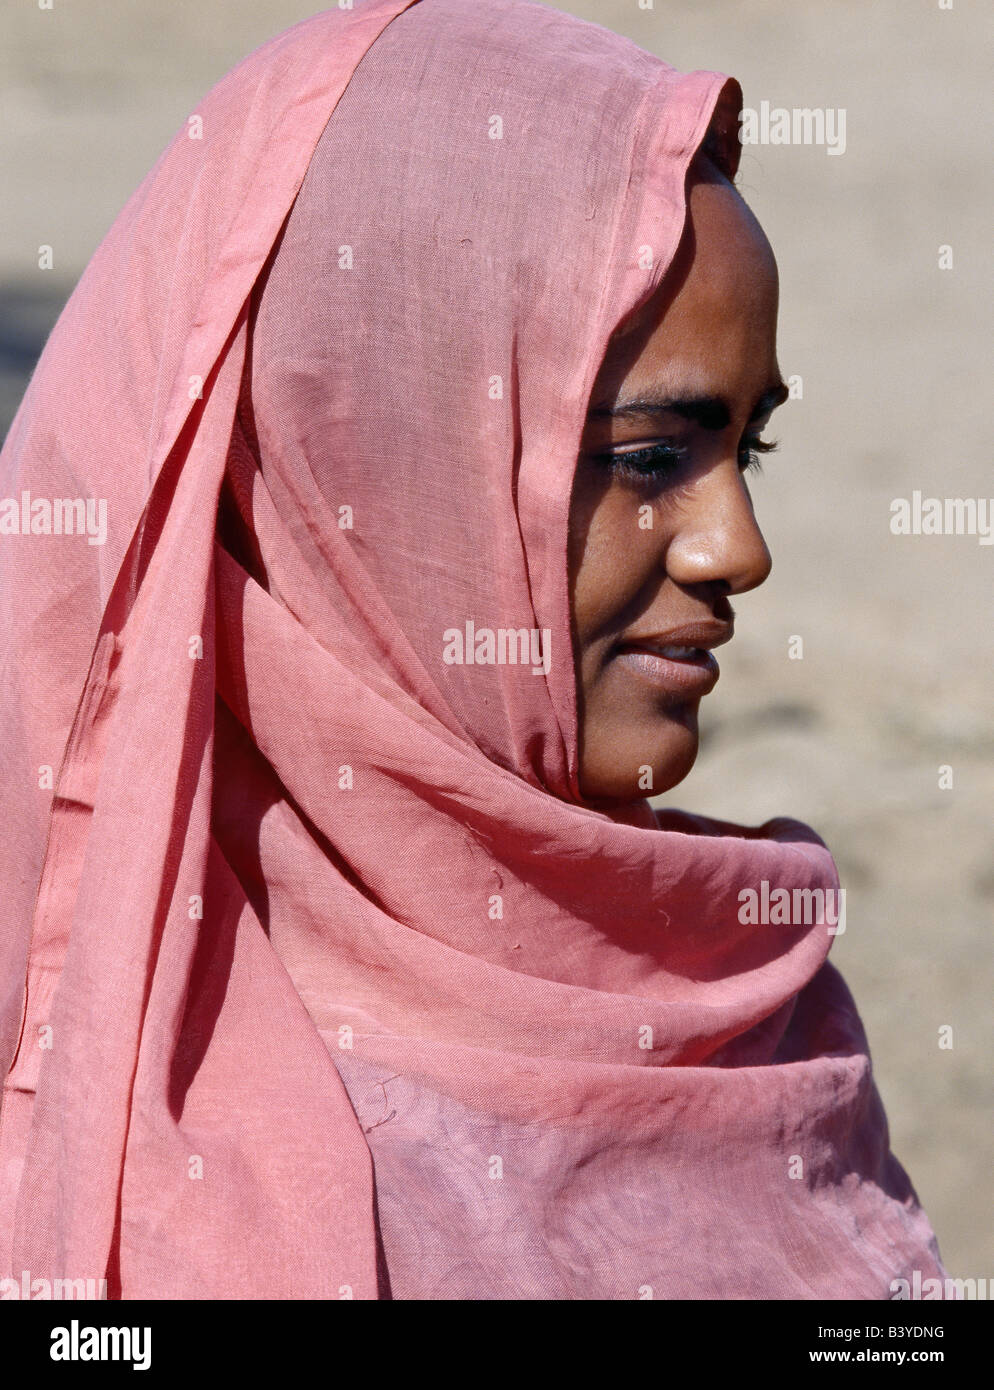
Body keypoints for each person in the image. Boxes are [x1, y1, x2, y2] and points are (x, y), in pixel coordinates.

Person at [0, 0, 948, 1299]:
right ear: (374, 470)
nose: (737, 548)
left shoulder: (757, 1020)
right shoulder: (123, 1130)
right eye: (647, 456)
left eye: (749, 450)